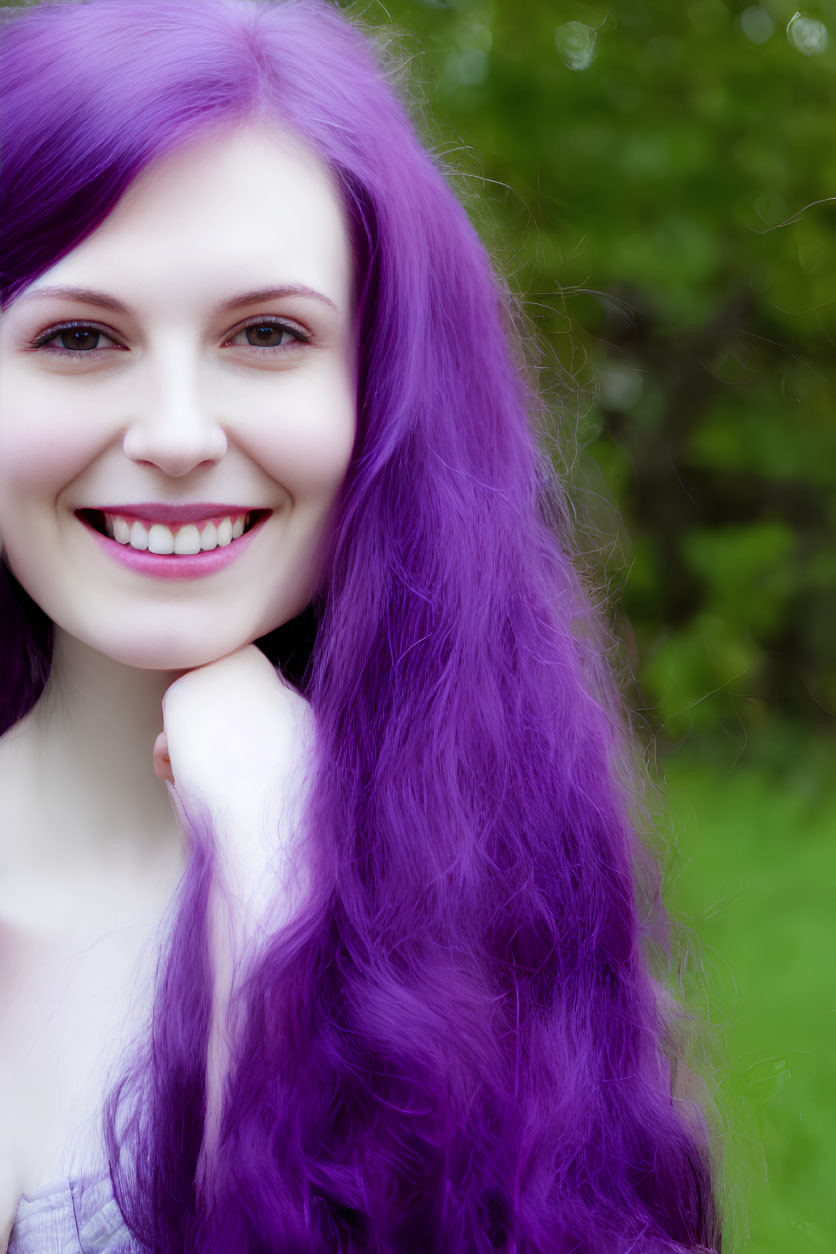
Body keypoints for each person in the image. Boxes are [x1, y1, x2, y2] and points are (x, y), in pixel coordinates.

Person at [0, 0, 722, 1249]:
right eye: (78, 336)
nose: (176, 434)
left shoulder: (481, 931)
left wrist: (276, 905)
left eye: (266, 334)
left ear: (378, 385)